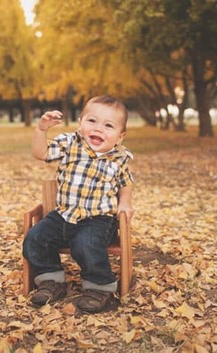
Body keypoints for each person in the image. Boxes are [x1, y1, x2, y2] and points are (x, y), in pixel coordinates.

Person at [24, 95, 134, 313]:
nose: (98, 129)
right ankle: (51, 281)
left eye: (108, 125)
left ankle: (99, 287)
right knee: (35, 238)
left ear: (120, 137)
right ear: (80, 122)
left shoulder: (118, 158)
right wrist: (41, 130)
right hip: (63, 214)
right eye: (92, 121)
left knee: (85, 244)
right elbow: (41, 153)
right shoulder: (70, 143)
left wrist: (125, 203)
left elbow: (126, 182)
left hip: (98, 219)